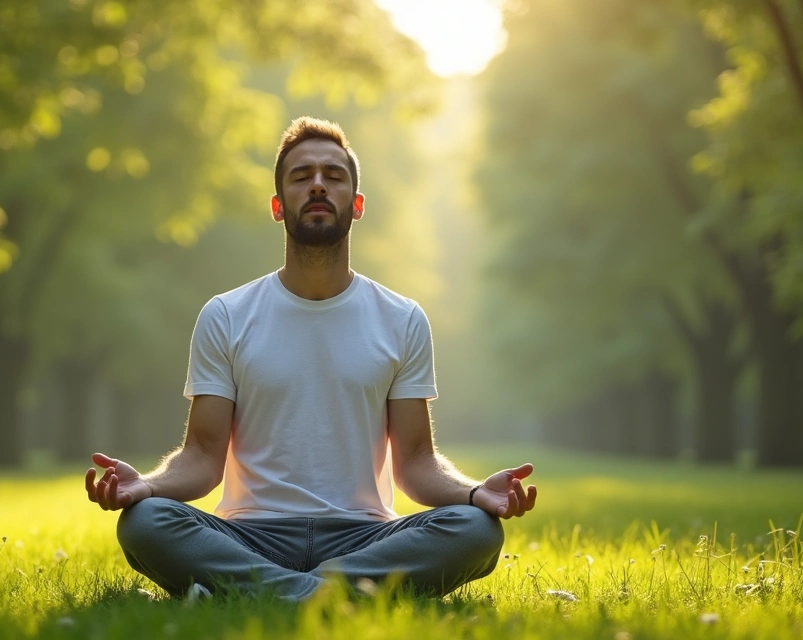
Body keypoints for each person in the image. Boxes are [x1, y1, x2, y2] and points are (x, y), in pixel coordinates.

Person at [83, 116, 537, 602]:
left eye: (333, 176)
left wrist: (475, 494)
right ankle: (332, 598)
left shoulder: (402, 318)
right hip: (250, 536)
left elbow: (417, 464)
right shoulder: (226, 315)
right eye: (301, 177)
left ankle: (263, 594)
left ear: (356, 204)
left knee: (477, 530)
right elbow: (201, 457)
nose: (318, 184)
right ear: (279, 206)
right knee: (146, 522)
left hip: (364, 538)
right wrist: (146, 487)